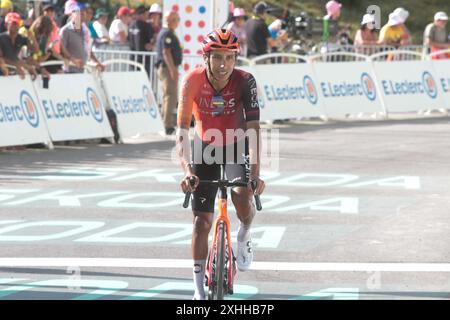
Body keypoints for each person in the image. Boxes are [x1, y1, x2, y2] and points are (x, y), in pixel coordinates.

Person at [176, 28, 265, 300]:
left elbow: (253, 128)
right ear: (206, 58)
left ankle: (244, 235)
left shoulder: (245, 80)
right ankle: (199, 290)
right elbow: (181, 130)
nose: (224, 64)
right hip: (205, 148)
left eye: (229, 57)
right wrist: (187, 170)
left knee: (241, 198)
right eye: (218, 58)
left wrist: (256, 174)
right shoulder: (191, 81)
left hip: (237, 144)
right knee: (200, 224)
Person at [155, 10, 181, 135]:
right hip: (167, 67)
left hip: (165, 67)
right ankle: (167, 124)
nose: (178, 22)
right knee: (170, 96)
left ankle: (164, 122)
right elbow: (166, 52)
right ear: (170, 21)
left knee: (168, 96)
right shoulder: (168, 34)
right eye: (176, 19)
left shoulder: (165, 32)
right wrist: (173, 69)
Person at [59, 3, 105, 73]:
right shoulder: (65, 31)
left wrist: (97, 62)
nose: (82, 15)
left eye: (83, 13)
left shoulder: (86, 31)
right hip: (68, 71)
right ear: (72, 14)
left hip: (83, 70)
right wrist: (73, 60)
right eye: (79, 13)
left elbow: (88, 50)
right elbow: (61, 50)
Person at [0, 12, 40, 79]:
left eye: (19, 23)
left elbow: (36, 50)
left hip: (12, 73)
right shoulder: (1, 38)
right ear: (6, 25)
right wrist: (20, 66)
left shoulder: (21, 38)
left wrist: (32, 38)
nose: (17, 25)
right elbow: (1, 58)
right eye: (14, 23)